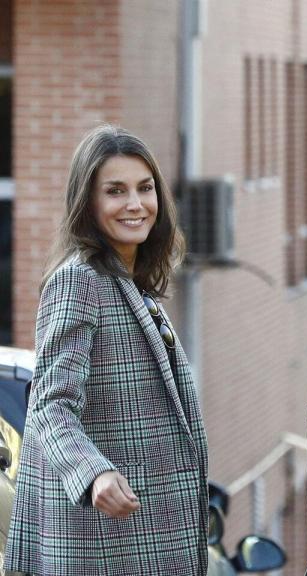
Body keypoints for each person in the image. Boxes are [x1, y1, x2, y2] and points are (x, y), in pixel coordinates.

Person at [3, 125, 209, 575]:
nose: (135, 204)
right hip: (102, 547)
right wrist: (92, 472)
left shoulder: (131, 283)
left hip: (142, 539)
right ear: (88, 203)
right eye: (115, 191)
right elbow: (48, 405)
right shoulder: (79, 281)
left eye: (145, 188)